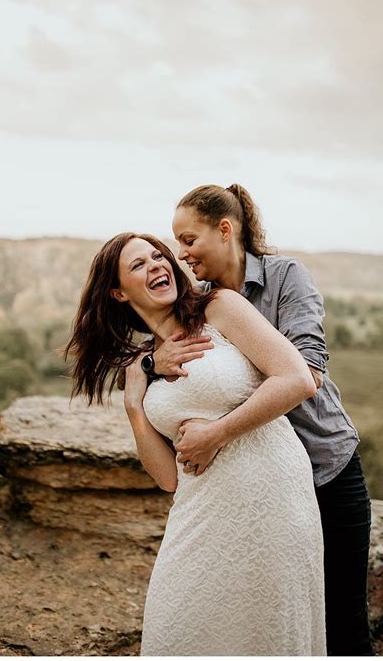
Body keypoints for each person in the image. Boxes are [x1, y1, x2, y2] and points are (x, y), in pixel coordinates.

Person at [65, 232, 326, 656]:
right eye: (137, 265)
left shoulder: (219, 308)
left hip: (273, 494)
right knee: (177, 625)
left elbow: (297, 378)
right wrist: (134, 404)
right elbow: (168, 477)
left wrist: (217, 432)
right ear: (116, 292)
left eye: (158, 256)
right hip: (199, 510)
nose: (156, 265)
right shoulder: (143, 364)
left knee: (267, 629)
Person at [144, 182, 372, 656]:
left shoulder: (287, 277)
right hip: (260, 487)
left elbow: (304, 370)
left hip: (327, 466)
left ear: (225, 230)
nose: (181, 254)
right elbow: (162, 349)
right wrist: (151, 364)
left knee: (343, 622)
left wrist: (218, 430)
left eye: (188, 240)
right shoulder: (201, 301)